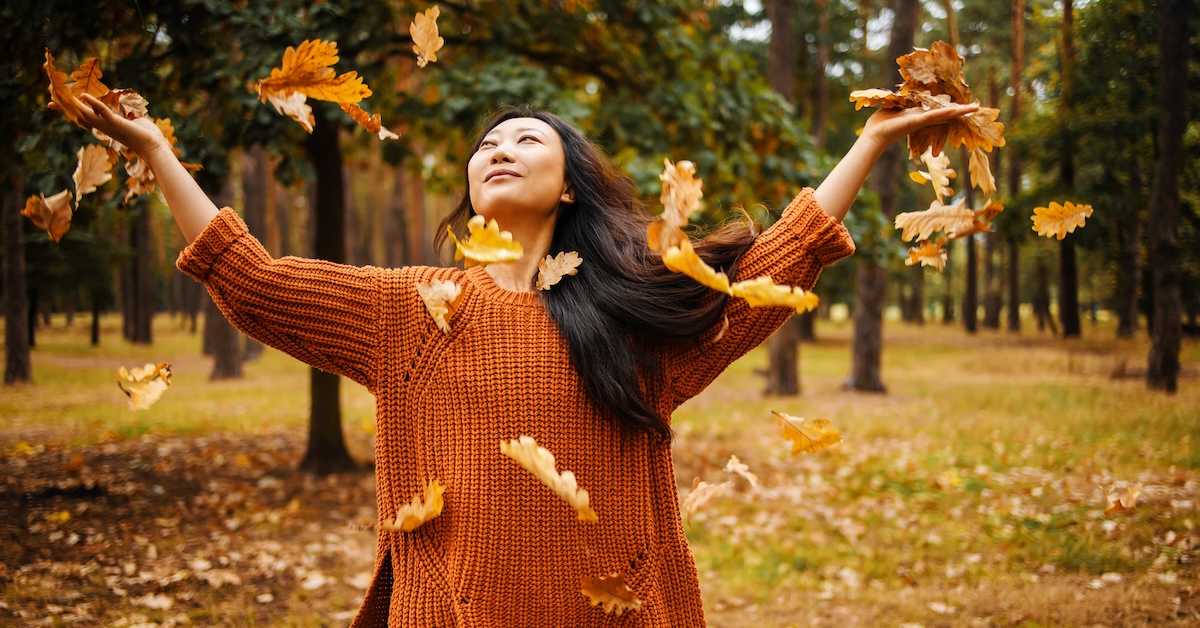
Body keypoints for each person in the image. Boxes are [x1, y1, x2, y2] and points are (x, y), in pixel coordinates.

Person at [78, 92, 976, 627]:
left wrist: (871, 142)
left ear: (570, 182)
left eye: (525, 140)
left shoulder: (632, 318)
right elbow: (255, 279)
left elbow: (777, 263)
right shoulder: (412, 309)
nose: (497, 150)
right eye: (484, 145)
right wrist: (157, 151)